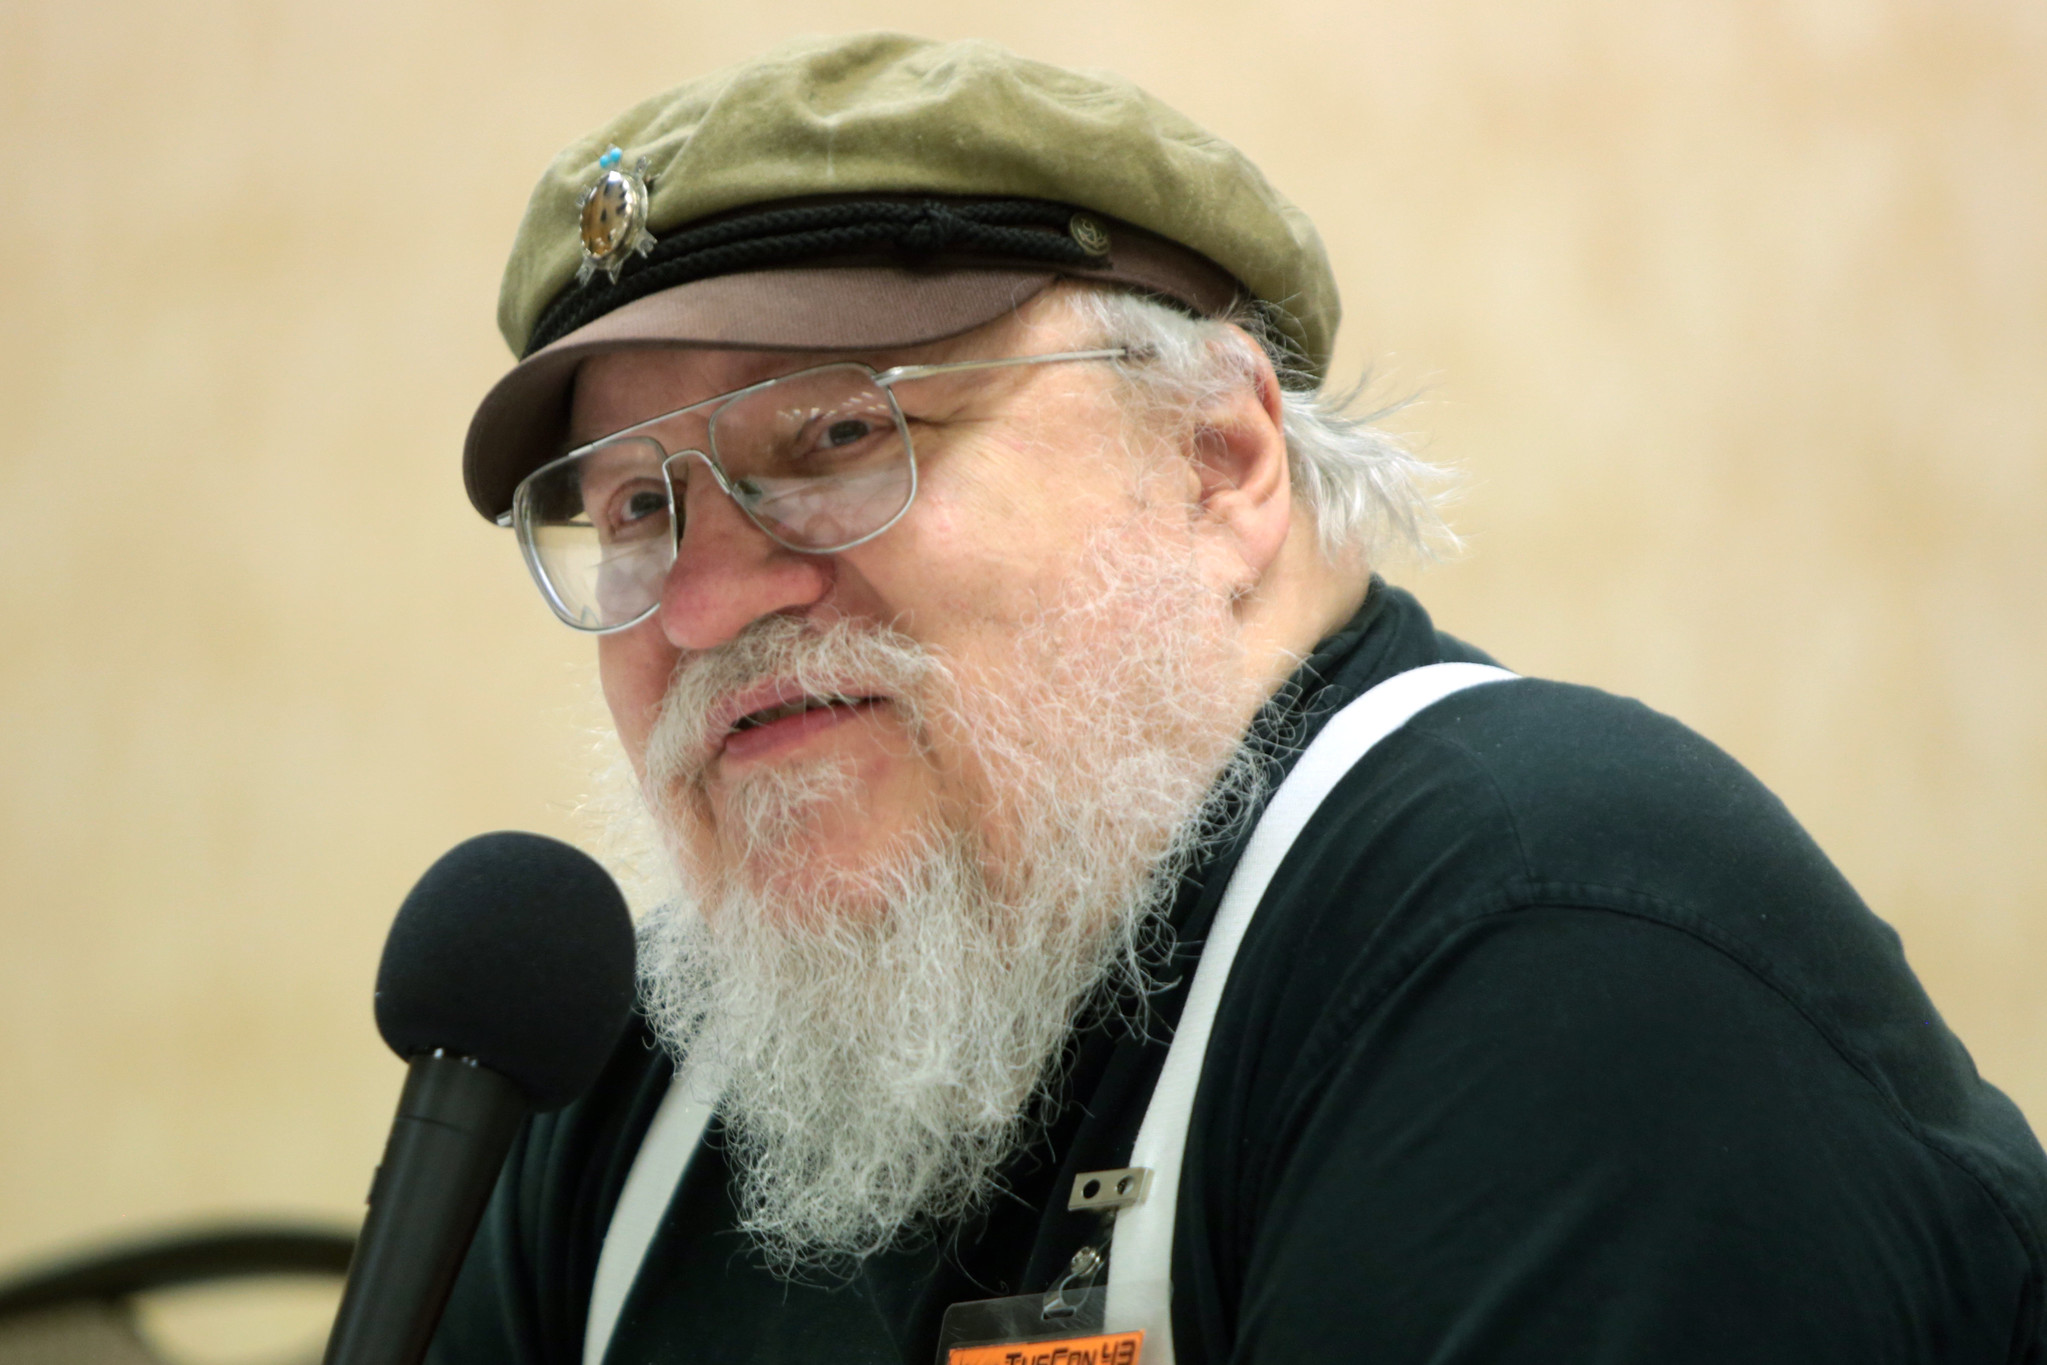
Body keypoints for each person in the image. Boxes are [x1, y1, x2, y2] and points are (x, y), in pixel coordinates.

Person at [431, 31, 2047, 1365]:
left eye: (840, 437)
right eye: (639, 507)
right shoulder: (634, 1089)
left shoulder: (1551, 941)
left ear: (1220, 457)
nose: (705, 600)